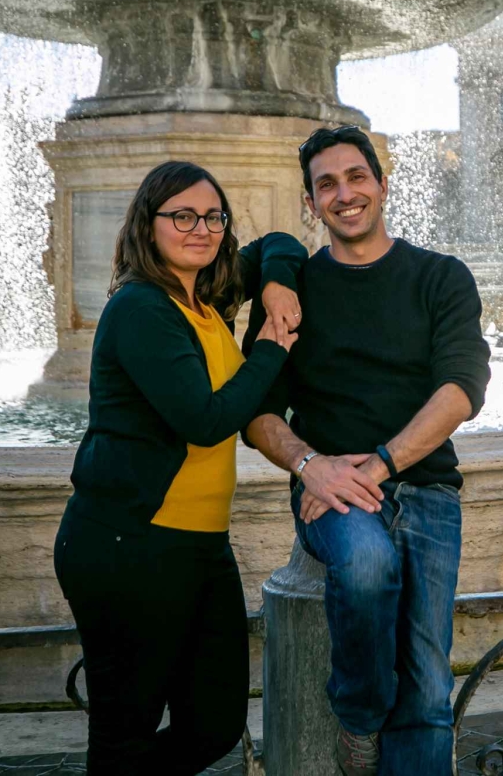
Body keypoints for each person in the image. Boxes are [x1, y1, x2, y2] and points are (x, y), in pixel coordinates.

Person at [243, 126, 491, 776]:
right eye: (327, 183)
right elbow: (258, 412)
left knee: (428, 688)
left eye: (357, 177)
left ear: (383, 183)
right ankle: (358, 716)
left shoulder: (441, 276)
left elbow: (462, 388)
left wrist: (382, 462)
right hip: (327, 486)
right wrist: (310, 464)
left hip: (428, 489)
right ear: (310, 201)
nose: (345, 193)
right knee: (367, 563)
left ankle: (382, 724)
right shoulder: (295, 291)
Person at [54, 161, 308, 775]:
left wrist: (272, 285)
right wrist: (271, 346)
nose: (202, 228)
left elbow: (281, 242)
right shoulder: (143, 307)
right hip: (129, 543)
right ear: (150, 223)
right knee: (125, 729)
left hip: (198, 546)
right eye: (183, 216)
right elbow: (203, 418)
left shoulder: (205, 296)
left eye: (213, 216)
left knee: (215, 723)